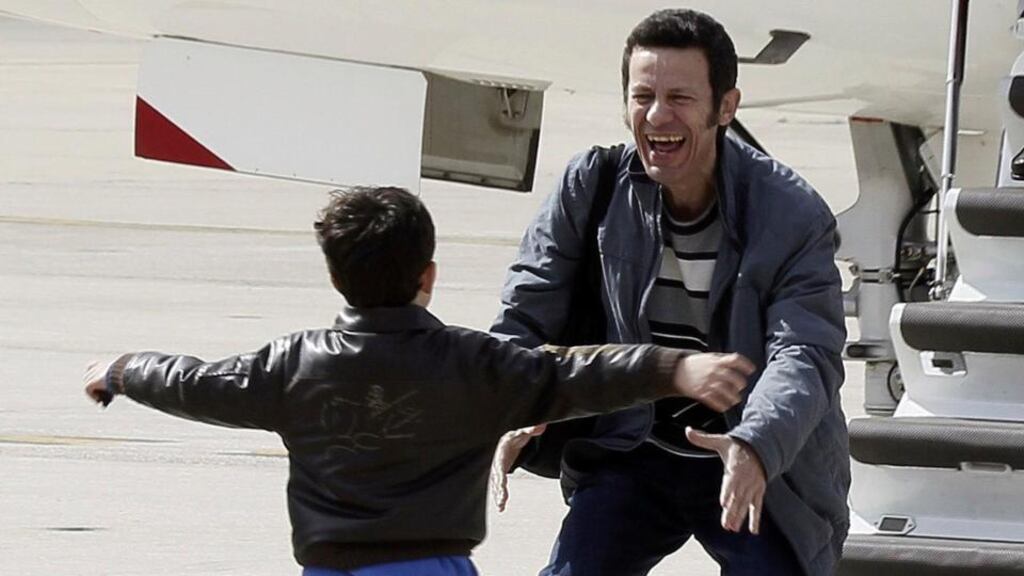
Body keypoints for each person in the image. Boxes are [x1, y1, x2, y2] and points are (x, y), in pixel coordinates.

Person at [83, 186, 756, 576]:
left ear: (334, 277)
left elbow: (193, 383)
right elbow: (580, 371)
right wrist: (677, 366)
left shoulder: (291, 366)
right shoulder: (473, 366)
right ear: (427, 277)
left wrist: (121, 370)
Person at [490, 8, 849, 576]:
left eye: (680, 98)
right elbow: (526, 314)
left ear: (725, 107)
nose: (657, 115)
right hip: (633, 447)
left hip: (748, 455)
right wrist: (512, 401)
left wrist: (756, 445)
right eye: (642, 95)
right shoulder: (593, 184)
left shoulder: (790, 213)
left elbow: (804, 354)